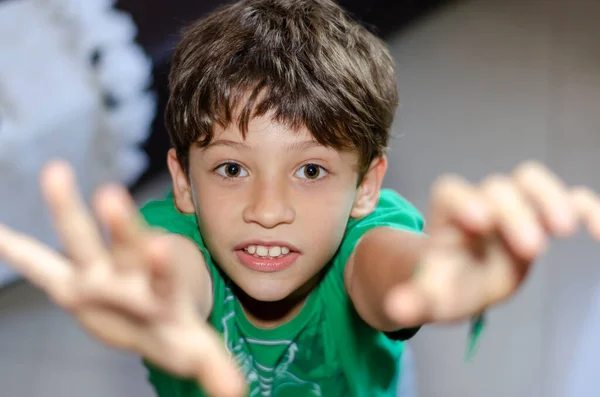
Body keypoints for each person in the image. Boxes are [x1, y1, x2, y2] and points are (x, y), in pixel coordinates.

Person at [1, 1, 599, 396]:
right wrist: (160, 296)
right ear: (183, 182)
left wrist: (428, 275)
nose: (267, 209)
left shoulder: (369, 242)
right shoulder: (170, 242)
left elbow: (389, 271)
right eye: (232, 167)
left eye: (310, 170)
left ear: (366, 186)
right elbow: (173, 278)